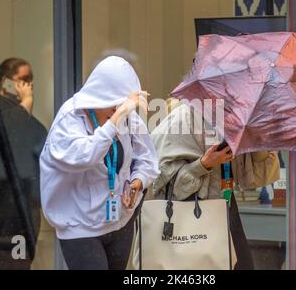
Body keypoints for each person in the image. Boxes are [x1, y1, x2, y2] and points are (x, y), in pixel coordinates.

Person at [40, 56, 160, 270]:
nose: (118, 111)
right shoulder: (70, 117)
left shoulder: (127, 117)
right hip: (80, 227)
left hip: (120, 221)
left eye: (121, 107)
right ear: (100, 96)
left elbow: (148, 160)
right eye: (114, 106)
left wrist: (136, 183)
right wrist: (116, 120)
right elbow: (84, 156)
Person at [151, 99, 280, 270]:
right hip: (188, 211)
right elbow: (163, 182)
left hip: (224, 205)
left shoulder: (236, 118)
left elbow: (260, 177)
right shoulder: (182, 118)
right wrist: (204, 164)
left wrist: (257, 140)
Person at [0, 58, 48, 270]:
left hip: (22, 196)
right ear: (5, 82)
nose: (29, 85)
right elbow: (12, 133)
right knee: (12, 260)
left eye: (31, 79)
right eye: (23, 79)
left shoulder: (11, 109)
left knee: (19, 259)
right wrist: (26, 103)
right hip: (5, 199)